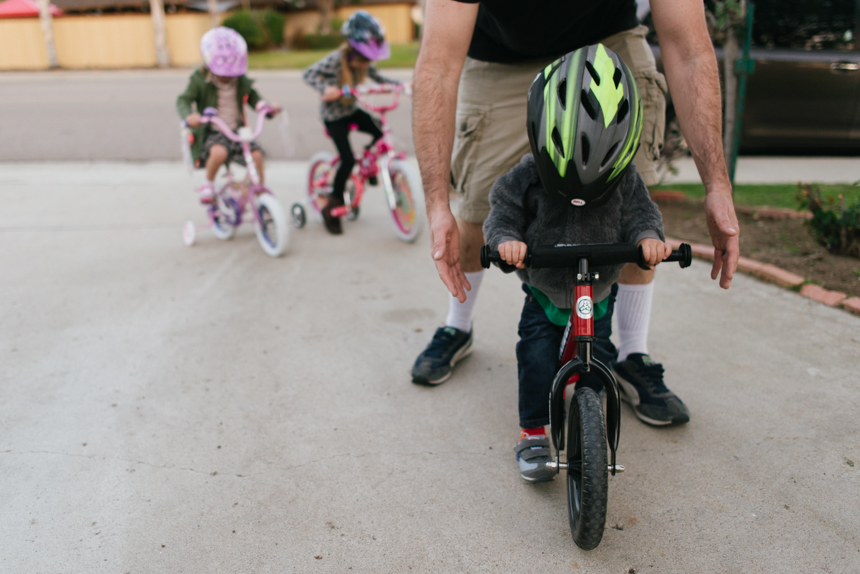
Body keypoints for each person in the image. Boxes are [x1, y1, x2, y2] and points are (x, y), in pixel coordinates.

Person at [410, 0, 740, 427]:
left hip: (608, 45)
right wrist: (437, 205)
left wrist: (717, 185)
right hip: (501, 59)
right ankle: (458, 325)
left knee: (630, 208)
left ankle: (632, 352)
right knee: (476, 214)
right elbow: (436, 67)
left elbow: (688, 48)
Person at [483, 45, 680, 480]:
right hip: (545, 293)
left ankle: (590, 415)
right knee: (536, 360)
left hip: (600, 293)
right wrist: (506, 240)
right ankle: (533, 431)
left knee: (599, 363)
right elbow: (504, 210)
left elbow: (641, 214)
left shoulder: (625, 177)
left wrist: (648, 239)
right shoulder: (528, 172)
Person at [303, 10, 401, 235]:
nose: (367, 64)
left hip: (351, 111)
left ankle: (368, 164)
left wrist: (403, 85)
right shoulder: (334, 61)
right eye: (365, 60)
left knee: (379, 131)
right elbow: (308, 74)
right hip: (333, 117)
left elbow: (379, 78)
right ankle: (332, 205)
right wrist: (326, 89)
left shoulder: (364, 62)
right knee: (347, 160)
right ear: (354, 53)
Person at [177, 27, 281, 204]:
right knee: (219, 153)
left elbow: (253, 96)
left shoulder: (239, 79)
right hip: (214, 132)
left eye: (232, 74)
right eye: (223, 74)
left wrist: (265, 106)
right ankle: (208, 184)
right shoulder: (200, 80)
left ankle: (259, 192)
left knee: (256, 156)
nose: (228, 78)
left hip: (237, 131)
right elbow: (183, 100)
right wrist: (190, 116)